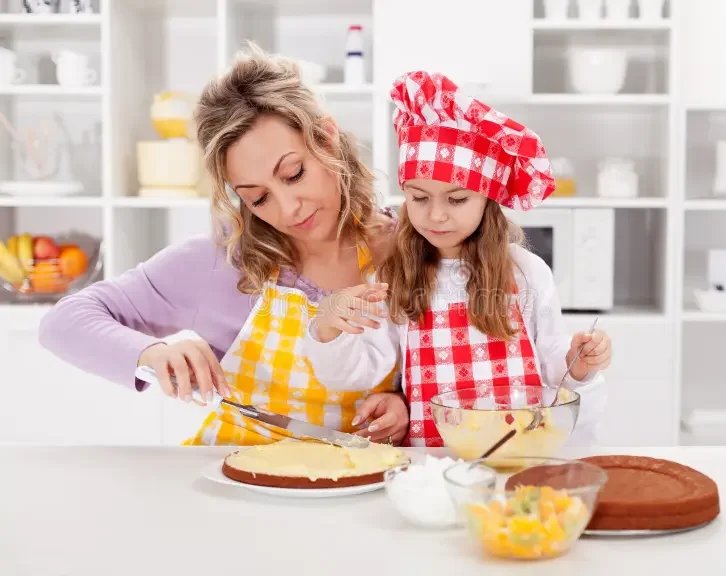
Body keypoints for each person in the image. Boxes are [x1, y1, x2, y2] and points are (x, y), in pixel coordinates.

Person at [37, 45, 410, 446]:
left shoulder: (414, 244)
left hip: (357, 495)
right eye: (258, 198)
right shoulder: (220, 265)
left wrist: (403, 402)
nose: (289, 209)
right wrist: (150, 353)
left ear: (327, 136)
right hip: (236, 493)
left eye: (294, 173)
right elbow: (64, 321)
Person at [303, 70, 612, 447]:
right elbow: (361, 373)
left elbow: (553, 366)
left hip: (520, 454)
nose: (435, 215)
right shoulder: (392, 276)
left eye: (457, 199)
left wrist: (580, 365)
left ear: (488, 199)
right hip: (430, 465)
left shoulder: (527, 273)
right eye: (419, 197)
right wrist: (328, 328)